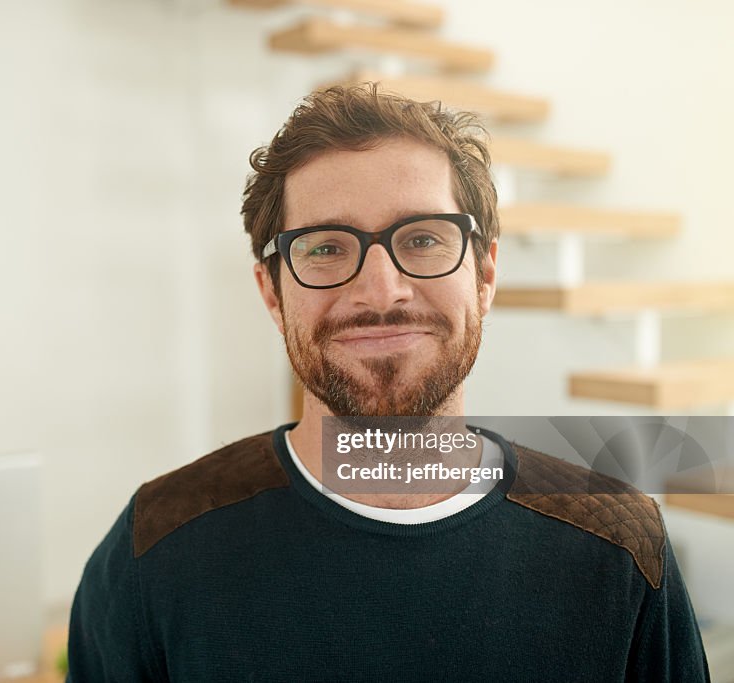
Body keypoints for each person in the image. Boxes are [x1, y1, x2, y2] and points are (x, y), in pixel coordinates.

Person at [66, 83, 710, 681]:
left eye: (424, 238)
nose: (381, 290)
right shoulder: (157, 541)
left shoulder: (620, 545)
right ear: (272, 293)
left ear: (485, 276)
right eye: (325, 248)